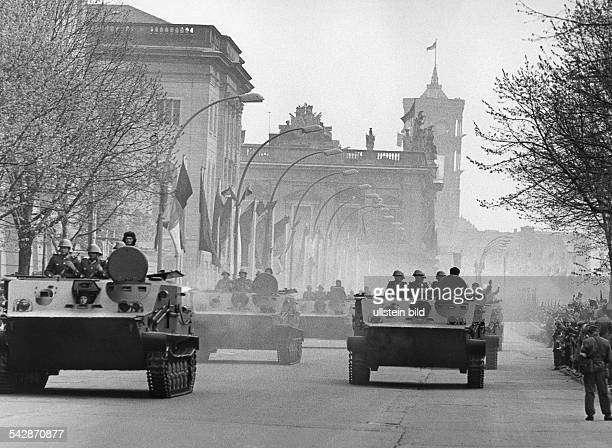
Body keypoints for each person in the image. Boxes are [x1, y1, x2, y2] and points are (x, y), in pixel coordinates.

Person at [579, 324, 612, 421]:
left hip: (589, 369)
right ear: (598, 332)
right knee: (603, 392)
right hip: (601, 368)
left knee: (590, 392)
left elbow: (582, 355)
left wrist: (582, 365)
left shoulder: (587, 342)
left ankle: (590, 414)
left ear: (589, 333)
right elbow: (609, 358)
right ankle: (607, 414)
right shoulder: (606, 342)